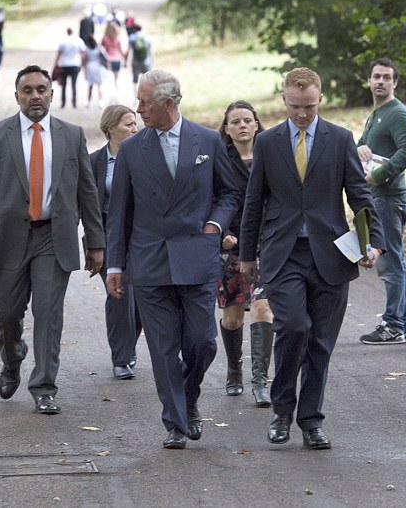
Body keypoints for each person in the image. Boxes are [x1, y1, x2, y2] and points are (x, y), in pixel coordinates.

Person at [240, 67, 383, 450]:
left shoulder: (339, 140)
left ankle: (311, 420)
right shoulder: (268, 142)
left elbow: (359, 195)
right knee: (293, 327)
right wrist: (246, 255)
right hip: (282, 252)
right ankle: (282, 410)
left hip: (330, 254)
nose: (301, 114)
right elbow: (254, 202)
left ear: (319, 99)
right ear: (284, 100)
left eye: (308, 106)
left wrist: (374, 241)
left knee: (320, 341)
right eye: (294, 107)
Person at [106, 70, 240, 450]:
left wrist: (215, 224)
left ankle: (188, 396)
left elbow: (229, 192)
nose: (138, 109)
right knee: (164, 347)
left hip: (196, 254)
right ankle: (176, 422)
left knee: (203, 342)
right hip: (148, 260)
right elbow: (119, 213)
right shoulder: (131, 149)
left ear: (170, 102)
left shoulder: (208, 140)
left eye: (145, 102)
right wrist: (115, 265)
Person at [0, 65, 104, 415]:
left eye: (42, 89)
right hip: (6, 238)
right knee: (7, 314)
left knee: (48, 312)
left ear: (52, 94)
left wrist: (96, 242)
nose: (35, 95)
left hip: (54, 237)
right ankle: (12, 359)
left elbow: (87, 190)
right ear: (17, 96)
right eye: (27, 90)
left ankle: (44, 386)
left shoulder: (71, 135)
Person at [217, 101, 274, 407]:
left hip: (267, 245)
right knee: (233, 318)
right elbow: (209, 200)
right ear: (226, 129)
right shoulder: (220, 160)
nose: (242, 125)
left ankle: (260, 381)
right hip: (232, 247)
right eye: (235, 121)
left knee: (264, 308)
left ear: (256, 124)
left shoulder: (270, 155)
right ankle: (234, 368)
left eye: (247, 120)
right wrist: (220, 235)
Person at [357, 57, 406, 345]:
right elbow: (359, 147)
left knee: (390, 262)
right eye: (376, 76)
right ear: (369, 80)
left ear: (395, 82)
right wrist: (361, 148)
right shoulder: (377, 114)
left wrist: (381, 174)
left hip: (389, 198)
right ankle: (400, 323)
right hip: (379, 198)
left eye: (386, 77)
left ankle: (393, 324)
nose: (380, 81)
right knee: (394, 259)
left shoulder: (398, 113)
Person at [89, 105, 142, 379]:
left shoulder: (145, 156)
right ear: (111, 128)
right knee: (119, 293)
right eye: (129, 124)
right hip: (108, 236)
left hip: (142, 234)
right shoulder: (93, 162)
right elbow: (85, 205)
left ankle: (128, 347)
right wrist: (91, 245)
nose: (135, 129)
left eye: (135, 124)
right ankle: (121, 358)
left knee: (143, 296)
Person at [54, 28, 84, 109]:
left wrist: (56, 64)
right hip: (75, 64)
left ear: (67, 32)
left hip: (65, 65)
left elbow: (59, 53)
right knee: (74, 84)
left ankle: (63, 103)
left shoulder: (63, 41)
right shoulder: (78, 40)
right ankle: (74, 102)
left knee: (64, 85)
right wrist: (82, 64)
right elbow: (82, 52)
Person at [124, 24, 152, 96]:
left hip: (135, 63)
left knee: (135, 81)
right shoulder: (147, 37)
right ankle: (148, 96)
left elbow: (128, 51)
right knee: (149, 80)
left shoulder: (132, 38)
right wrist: (152, 60)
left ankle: (136, 98)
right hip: (146, 62)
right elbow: (150, 50)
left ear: (134, 30)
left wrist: (126, 61)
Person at [81, 35, 105, 108]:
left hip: (90, 67)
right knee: (99, 85)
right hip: (97, 66)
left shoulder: (87, 49)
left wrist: (83, 68)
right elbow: (103, 57)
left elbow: (84, 60)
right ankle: (100, 101)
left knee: (90, 86)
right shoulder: (98, 48)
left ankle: (88, 101)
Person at [100, 22, 124, 88]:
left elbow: (101, 50)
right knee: (116, 79)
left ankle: (110, 93)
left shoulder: (104, 38)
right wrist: (124, 59)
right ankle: (117, 92)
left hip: (108, 60)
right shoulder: (118, 38)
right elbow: (120, 50)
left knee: (108, 79)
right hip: (117, 60)